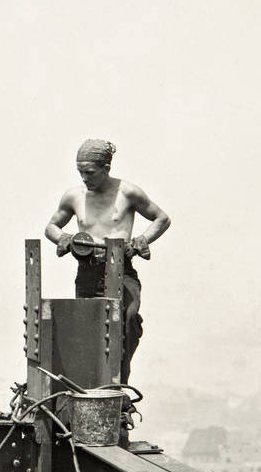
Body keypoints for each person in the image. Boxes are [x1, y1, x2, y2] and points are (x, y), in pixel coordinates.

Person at [45, 139, 170, 383]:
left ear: (106, 168)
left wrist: (141, 241)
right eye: (80, 172)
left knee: (129, 321)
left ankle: (118, 383)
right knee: (89, 327)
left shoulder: (128, 192)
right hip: (88, 271)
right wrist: (66, 239)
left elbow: (161, 218)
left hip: (122, 269)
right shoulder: (74, 196)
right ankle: (90, 384)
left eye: (90, 172)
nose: (84, 178)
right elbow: (51, 227)